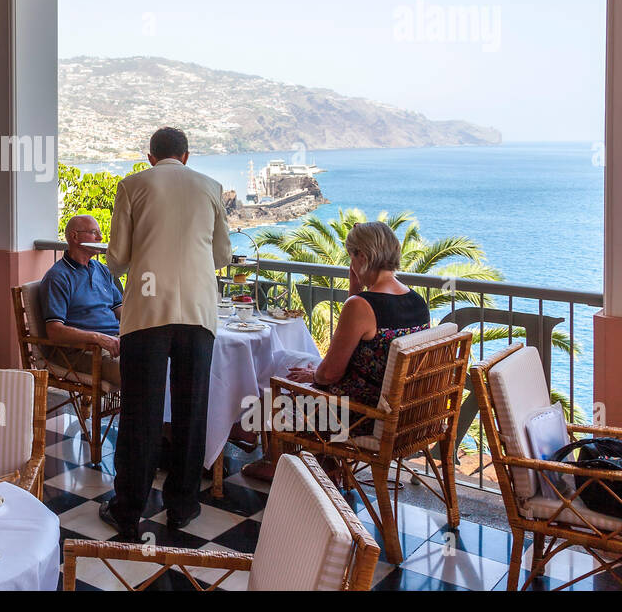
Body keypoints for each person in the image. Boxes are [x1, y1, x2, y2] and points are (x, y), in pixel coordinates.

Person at [102, 126, 230, 538]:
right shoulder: (210, 186)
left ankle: (127, 508)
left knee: (141, 412)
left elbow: (118, 259)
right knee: (192, 411)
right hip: (197, 312)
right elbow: (222, 256)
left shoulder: (132, 185)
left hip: (146, 314)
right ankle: (183, 507)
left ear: (151, 157)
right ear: (187, 156)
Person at [243, 222, 431, 481]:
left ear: (362, 257)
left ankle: (277, 462)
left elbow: (330, 374)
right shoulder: (417, 301)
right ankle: (325, 462)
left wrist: (313, 376)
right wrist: (355, 291)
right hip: (400, 411)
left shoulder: (362, 307)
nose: (351, 263)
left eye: (351, 256)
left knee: (279, 385)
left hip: (357, 416)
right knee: (295, 362)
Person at [39, 214, 122, 361]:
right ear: (74, 237)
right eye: (94, 232)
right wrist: (98, 338)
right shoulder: (58, 277)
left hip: (114, 341)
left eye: (100, 233)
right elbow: (54, 331)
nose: (100, 238)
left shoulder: (102, 270)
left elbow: (120, 310)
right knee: (141, 368)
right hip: (82, 350)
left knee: (157, 353)